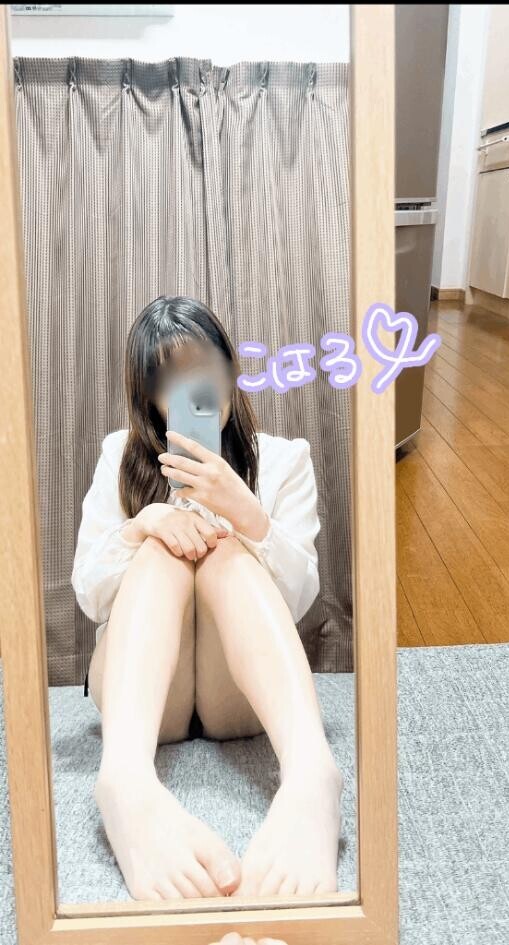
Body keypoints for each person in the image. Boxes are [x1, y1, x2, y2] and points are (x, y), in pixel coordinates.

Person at [71, 296, 343, 902]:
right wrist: (142, 527)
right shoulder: (120, 455)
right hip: (149, 699)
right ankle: (124, 780)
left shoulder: (284, 459)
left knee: (223, 553)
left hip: (236, 698)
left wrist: (245, 513)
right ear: (149, 398)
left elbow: (300, 599)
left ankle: (311, 774)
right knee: (160, 549)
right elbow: (89, 593)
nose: (193, 390)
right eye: (170, 380)